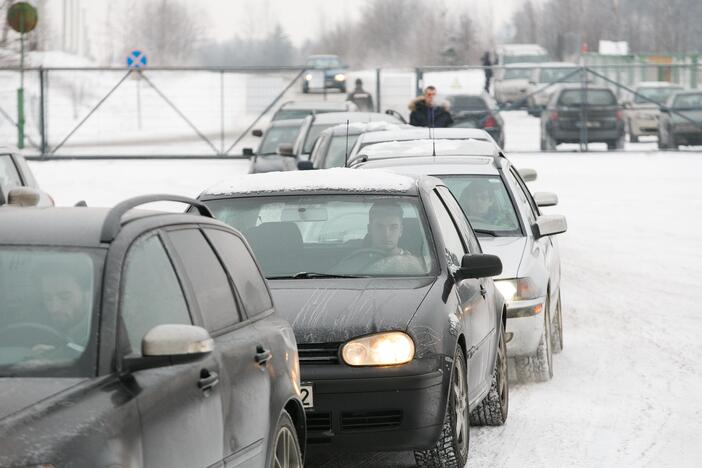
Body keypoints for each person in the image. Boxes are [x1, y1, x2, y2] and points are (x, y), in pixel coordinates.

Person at [334, 201, 424, 275]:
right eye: (380, 227)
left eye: (393, 227)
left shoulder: (416, 266)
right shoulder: (353, 262)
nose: (386, 234)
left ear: (401, 231)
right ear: (369, 229)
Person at [32, 265, 92, 356]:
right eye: (47, 298)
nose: (54, 308)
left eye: (65, 298)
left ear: (87, 295)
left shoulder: (102, 331)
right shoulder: (36, 322)